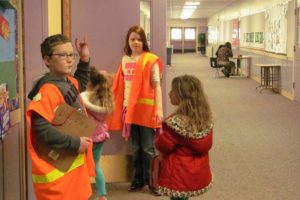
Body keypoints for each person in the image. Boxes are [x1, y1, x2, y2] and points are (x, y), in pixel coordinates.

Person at [26, 34, 95, 200]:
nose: (69, 59)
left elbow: (79, 83)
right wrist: (76, 143)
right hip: (59, 176)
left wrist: (84, 59)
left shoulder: (66, 82)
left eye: (71, 54)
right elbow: (42, 130)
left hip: (71, 168)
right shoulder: (48, 89)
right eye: (62, 55)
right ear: (47, 60)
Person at [108, 25, 163, 194]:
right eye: (132, 39)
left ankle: (153, 182)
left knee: (147, 149)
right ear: (128, 41)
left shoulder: (150, 59)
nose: (136, 42)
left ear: (143, 41)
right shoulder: (125, 60)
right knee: (135, 148)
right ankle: (138, 180)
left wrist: (159, 109)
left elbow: (157, 86)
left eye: (139, 39)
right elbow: (120, 83)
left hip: (146, 111)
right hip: (129, 110)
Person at [155, 75, 213, 200]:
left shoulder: (176, 124)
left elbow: (163, 145)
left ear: (181, 97)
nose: (170, 93)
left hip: (177, 172)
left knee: (177, 198)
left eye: (173, 91)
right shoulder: (204, 120)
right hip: (195, 170)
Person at [80, 66, 114, 200]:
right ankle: (102, 195)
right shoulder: (107, 98)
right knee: (96, 165)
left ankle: (83, 193)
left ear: (90, 84)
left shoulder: (86, 99)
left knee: (81, 166)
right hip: (100, 136)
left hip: (87, 137)